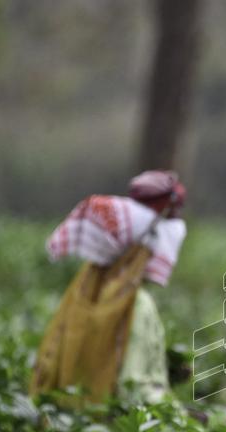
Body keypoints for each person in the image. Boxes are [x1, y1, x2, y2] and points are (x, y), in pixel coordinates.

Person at [30, 170, 187, 405]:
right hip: (105, 428)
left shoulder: (81, 292)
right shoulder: (136, 306)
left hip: (65, 419)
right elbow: (134, 388)